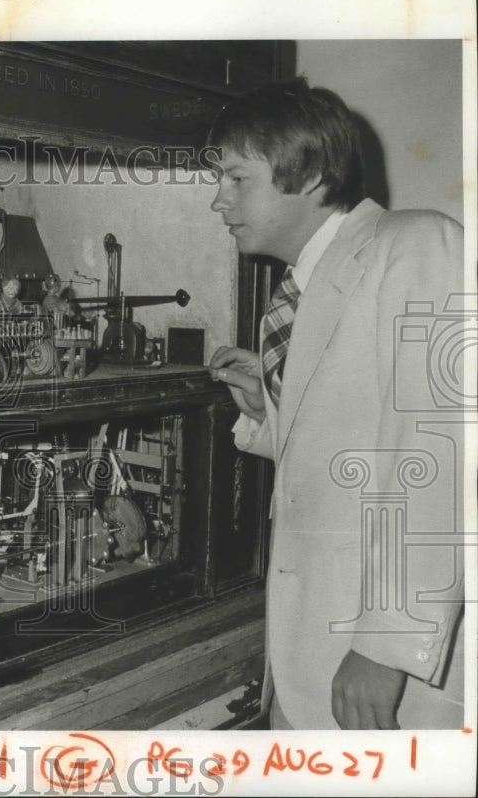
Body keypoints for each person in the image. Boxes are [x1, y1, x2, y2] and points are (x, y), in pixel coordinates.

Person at [207, 78, 465, 730]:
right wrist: (271, 414)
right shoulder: (299, 288)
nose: (218, 200)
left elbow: (437, 450)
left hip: (382, 665)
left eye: (238, 179)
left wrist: (385, 645)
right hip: (306, 659)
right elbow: (356, 442)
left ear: (314, 174)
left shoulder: (418, 244)